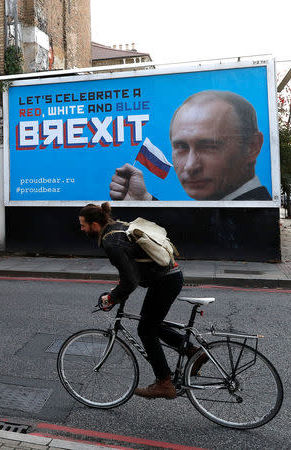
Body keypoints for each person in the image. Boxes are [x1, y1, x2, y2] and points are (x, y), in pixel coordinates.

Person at [79, 202, 207, 400]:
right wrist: (118, 292)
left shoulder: (111, 242)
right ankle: (193, 351)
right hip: (168, 276)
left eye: (83, 225)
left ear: (95, 224)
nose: (81, 229)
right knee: (151, 325)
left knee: (145, 329)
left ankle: (164, 383)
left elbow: (131, 280)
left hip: (166, 280)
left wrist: (112, 298)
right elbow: (131, 272)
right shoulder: (117, 227)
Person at [109, 90, 271, 201]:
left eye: (209, 146)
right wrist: (144, 199)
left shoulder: (257, 220)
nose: (191, 166)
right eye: (181, 147)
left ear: (252, 147)